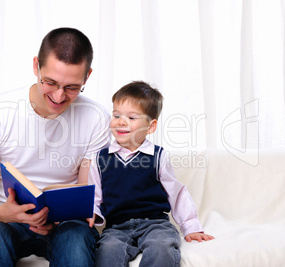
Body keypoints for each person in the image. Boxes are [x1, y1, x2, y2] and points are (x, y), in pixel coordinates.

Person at [0, 27, 110, 267]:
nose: (59, 96)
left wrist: (68, 215)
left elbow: (87, 196)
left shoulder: (96, 118)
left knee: (76, 238)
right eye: (50, 82)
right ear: (36, 66)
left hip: (65, 225)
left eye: (72, 87)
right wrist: (5, 213)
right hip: (3, 222)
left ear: (87, 76)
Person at [87, 81, 214, 267]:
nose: (121, 121)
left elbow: (176, 193)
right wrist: (91, 212)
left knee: (162, 248)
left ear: (151, 126)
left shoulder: (158, 156)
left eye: (131, 117)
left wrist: (190, 227)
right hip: (116, 227)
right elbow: (95, 196)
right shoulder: (99, 158)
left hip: (155, 224)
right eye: (116, 115)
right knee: (107, 251)